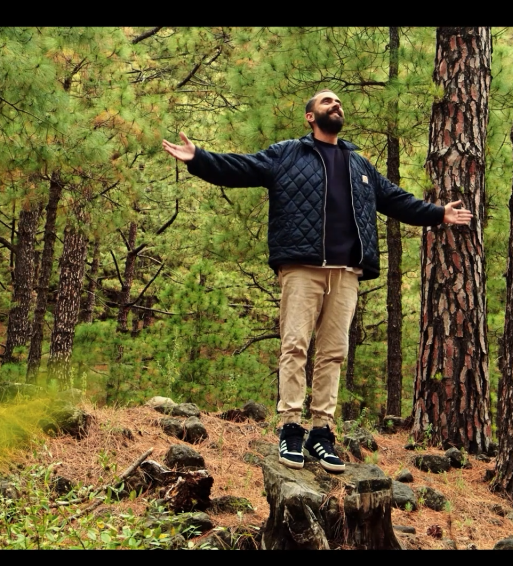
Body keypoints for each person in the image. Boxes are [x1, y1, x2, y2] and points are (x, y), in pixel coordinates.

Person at [162, 89, 473, 474]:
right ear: (310, 116)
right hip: (302, 266)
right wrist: (199, 159)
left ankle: (322, 432)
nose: (335, 105)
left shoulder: (358, 164)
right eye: (326, 102)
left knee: (333, 353)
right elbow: (242, 167)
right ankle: (291, 428)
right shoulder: (288, 154)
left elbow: (396, 200)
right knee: (295, 345)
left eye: (338, 102)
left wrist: (438, 214)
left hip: (346, 272)